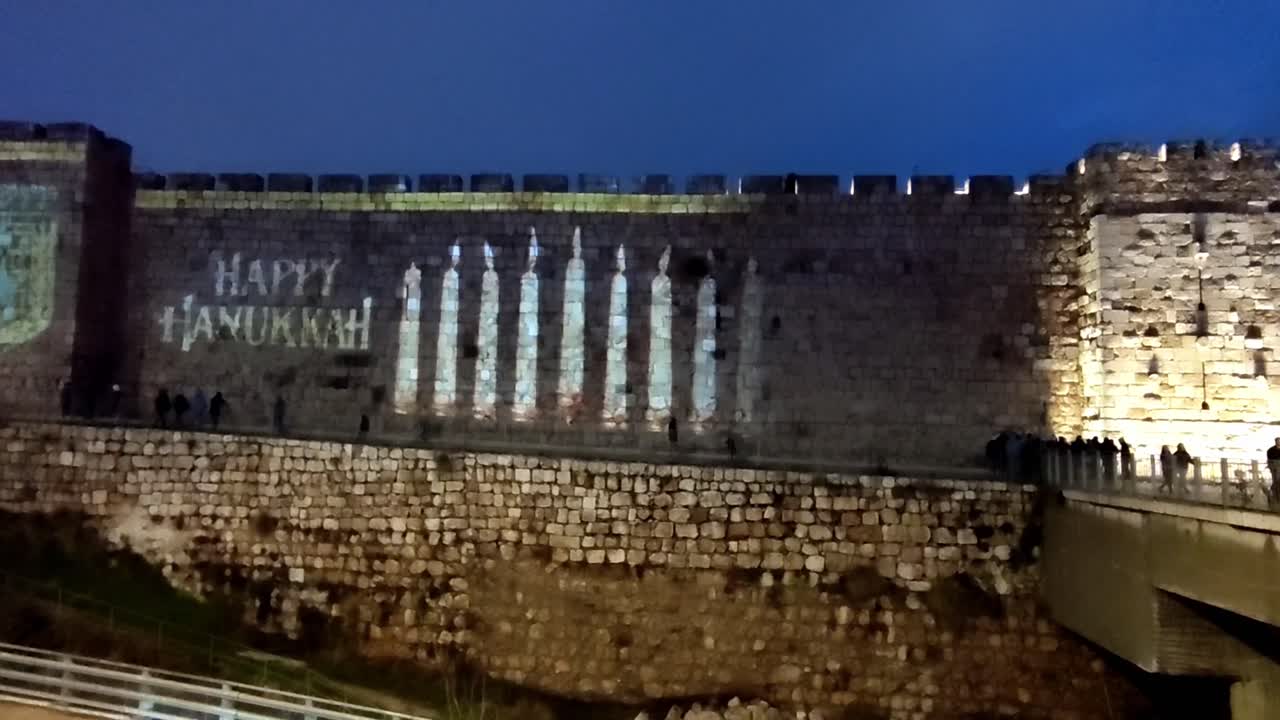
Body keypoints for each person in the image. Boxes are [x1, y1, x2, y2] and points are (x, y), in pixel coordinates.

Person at [1268, 438, 1280, 505]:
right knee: (1276, 482)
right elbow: (1269, 461)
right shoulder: (1271, 450)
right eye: (1278, 441)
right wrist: (1271, 468)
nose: (1279, 443)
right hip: (1275, 469)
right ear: (1275, 442)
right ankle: (1275, 497)